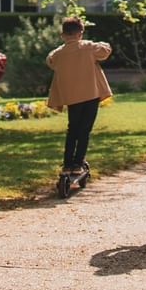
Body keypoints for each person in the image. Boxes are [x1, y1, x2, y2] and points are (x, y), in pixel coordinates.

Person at [46, 17, 112, 176]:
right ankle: (78, 162)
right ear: (80, 33)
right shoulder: (88, 47)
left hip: (72, 98)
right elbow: (105, 51)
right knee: (84, 130)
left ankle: (67, 163)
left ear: (62, 35)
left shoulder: (59, 53)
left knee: (72, 129)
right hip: (91, 94)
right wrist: (103, 43)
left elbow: (50, 61)